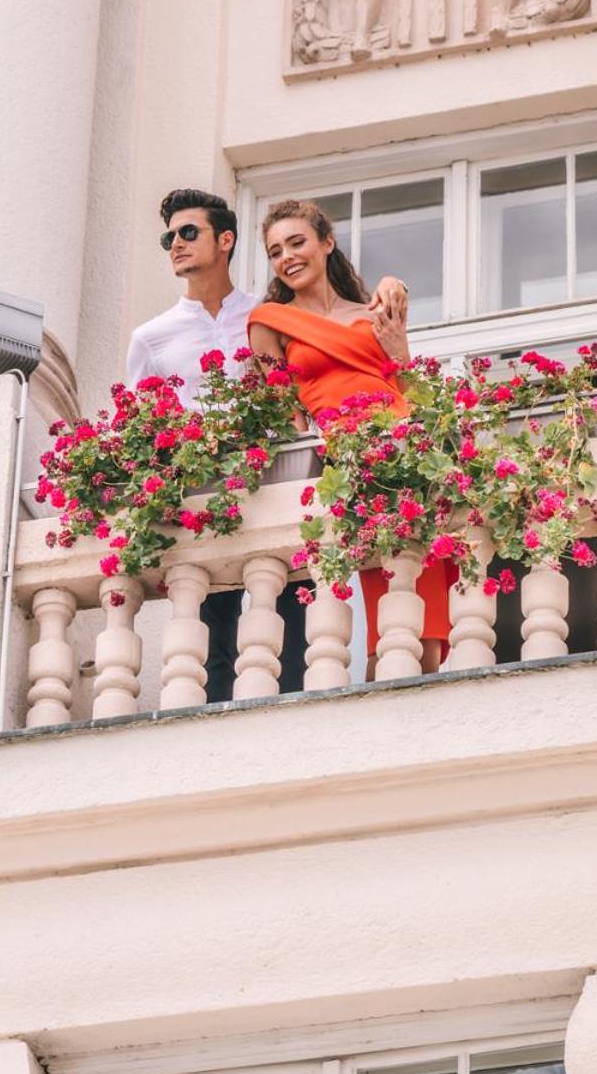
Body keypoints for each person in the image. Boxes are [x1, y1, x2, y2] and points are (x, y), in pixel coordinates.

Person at [125, 189, 408, 701]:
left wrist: (392, 285)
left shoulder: (269, 315)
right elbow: (140, 427)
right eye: (169, 237)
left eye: (188, 232)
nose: (176, 244)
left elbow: (302, 402)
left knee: (294, 636)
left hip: (275, 494)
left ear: (225, 239)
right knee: (209, 649)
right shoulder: (151, 337)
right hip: (202, 508)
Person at [248, 198, 452, 676]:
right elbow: (289, 421)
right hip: (353, 463)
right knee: (388, 621)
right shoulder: (269, 323)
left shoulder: (371, 313)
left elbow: (414, 397)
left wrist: (400, 346)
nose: (287, 257)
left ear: (327, 242)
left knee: (431, 636)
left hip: (408, 456)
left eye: (297, 242)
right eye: (276, 251)